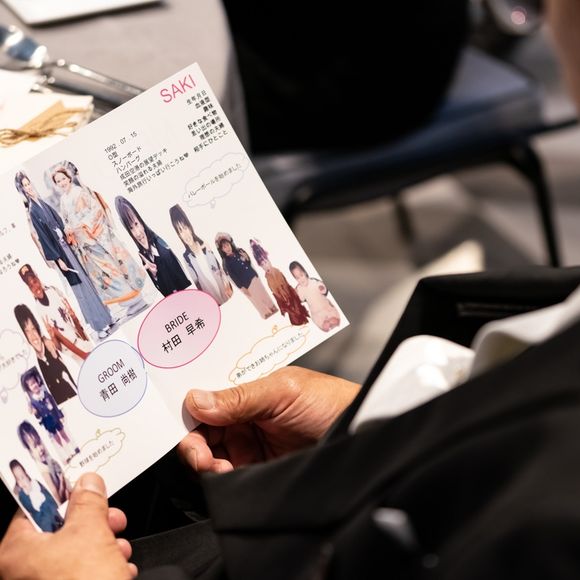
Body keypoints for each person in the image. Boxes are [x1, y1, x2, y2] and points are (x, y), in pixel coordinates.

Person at [14, 171, 114, 339]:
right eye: (24, 186)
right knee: (80, 289)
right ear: (21, 190)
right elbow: (44, 238)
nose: (28, 187)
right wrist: (58, 259)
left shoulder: (41, 202)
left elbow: (58, 221)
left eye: (28, 183)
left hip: (67, 246)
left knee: (86, 281)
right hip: (61, 253)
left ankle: (106, 318)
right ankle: (98, 326)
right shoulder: (33, 211)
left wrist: (67, 231)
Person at [51, 164, 148, 319]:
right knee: (105, 275)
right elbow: (66, 220)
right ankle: (129, 301)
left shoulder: (80, 192)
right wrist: (68, 228)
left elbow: (96, 210)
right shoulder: (63, 200)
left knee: (113, 269)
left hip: (95, 238)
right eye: (58, 181)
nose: (62, 182)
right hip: (84, 244)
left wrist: (82, 225)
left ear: (69, 178)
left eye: (63, 178)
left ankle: (135, 299)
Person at [116, 197, 191, 297]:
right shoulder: (142, 257)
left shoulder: (161, 244)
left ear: (140, 220)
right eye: (131, 228)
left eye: (136, 224)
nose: (138, 233)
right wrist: (154, 275)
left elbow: (183, 280)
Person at [18, 264, 92, 362]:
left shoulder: (53, 290)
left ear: (38, 278)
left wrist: (84, 338)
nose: (35, 287)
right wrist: (83, 354)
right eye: (31, 286)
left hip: (81, 341)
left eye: (35, 281)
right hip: (72, 353)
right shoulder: (39, 310)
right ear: (29, 289)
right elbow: (59, 339)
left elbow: (73, 320)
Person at [14, 304, 77, 405]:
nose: (33, 336)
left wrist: (52, 338)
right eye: (27, 332)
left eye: (33, 329)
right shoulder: (32, 367)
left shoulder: (51, 347)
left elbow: (59, 350)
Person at [169, 205, 233, 305]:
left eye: (185, 228)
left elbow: (221, 268)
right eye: (180, 231)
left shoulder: (206, 245)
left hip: (227, 295)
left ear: (190, 228)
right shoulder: (186, 258)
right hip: (213, 302)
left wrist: (227, 285)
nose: (185, 234)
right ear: (179, 235)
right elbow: (196, 285)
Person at [19, 367, 79, 465]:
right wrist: (33, 410)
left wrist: (60, 415)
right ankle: (67, 454)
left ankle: (73, 448)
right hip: (47, 422)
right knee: (57, 438)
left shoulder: (46, 394)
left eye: (34, 382)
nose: (34, 385)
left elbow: (54, 405)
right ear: (29, 389)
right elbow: (36, 415)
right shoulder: (33, 402)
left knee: (63, 433)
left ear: (37, 382)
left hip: (55, 416)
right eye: (31, 385)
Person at [215, 232, 278, 318]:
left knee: (262, 292)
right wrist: (242, 287)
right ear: (222, 250)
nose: (227, 248)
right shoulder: (226, 262)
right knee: (255, 298)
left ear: (230, 244)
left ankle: (272, 307)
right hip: (246, 283)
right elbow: (233, 277)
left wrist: (247, 258)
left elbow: (248, 263)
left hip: (253, 275)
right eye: (224, 247)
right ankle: (265, 313)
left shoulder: (239, 251)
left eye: (228, 245)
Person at [249, 239, 309, 326]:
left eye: (266, 262)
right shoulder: (267, 278)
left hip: (288, 294)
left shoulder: (277, 271)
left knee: (296, 308)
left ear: (269, 261)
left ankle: (301, 318)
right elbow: (274, 292)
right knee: (292, 313)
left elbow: (285, 283)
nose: (265, 266)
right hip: (283, 298)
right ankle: (297, 320)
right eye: (262, 265)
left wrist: (290, 294)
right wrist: (282, 302)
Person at [16, 421, 71, 504]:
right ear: (30, 452)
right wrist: (62, 482)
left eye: (39, 443)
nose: (40, 448)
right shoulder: (43, 471)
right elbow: (58, 501)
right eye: (35, 446)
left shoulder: (49, 461)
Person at [8, 460, 64, 533]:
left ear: (25, 473)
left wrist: (56, 505)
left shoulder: (35, 483)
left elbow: (48, 495)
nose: (22, 481)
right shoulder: (22, 496)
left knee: (62, 526)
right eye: (18, 479)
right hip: (43, 520)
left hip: (53, 512)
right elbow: (30, 509)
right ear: (16, 481)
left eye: (22, 477)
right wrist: (28, 493)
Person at [289, 261, 340, 332]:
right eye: (297, 278)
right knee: (325, 327)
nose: (301, 279)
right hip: (316, 313)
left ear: (305, 272)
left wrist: (322, 288)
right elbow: (300, 299)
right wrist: (295, 294)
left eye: (301, 275)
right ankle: (327, 324)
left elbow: (324, 289)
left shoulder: (313, 281)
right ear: (295, 279)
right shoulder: (299, 289)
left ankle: (332, 321)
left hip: (326, 308)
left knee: (336, 320)